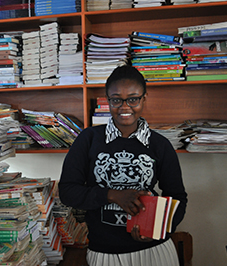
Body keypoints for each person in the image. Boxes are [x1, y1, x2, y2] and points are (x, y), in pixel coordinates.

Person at [58, 65, 187, 266]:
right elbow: (67, 192)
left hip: (155, 250)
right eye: (116, 100)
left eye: (133, 99)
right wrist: (112, 195)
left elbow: (178, 198)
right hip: (105, 252)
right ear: (107, 100)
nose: (124, 107)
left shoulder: (159, 144)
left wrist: (158, 230)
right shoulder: (89, 139)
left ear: (144, 99)